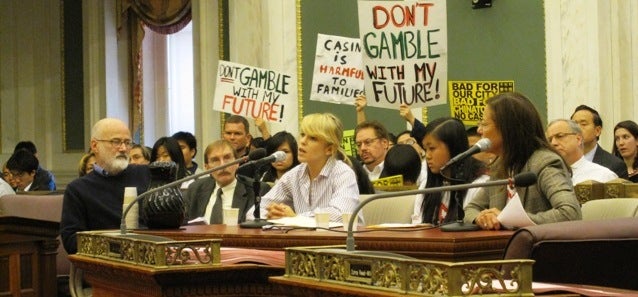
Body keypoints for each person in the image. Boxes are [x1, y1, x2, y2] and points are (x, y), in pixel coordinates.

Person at [464, 92, 582, 230]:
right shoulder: (500, 167)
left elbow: (570, 213)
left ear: (507, 129)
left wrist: (510, 220)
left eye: (484, 124)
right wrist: (481, 218)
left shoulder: (544, 163)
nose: (479, 130)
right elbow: (471, 209)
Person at [60, 118, 151, 254]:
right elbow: (71, 241)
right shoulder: (78, 189)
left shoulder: (147, 175)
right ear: (95, 146)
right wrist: (119, 248)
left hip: (151, 255)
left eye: (127, 142)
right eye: (116, 142)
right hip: (106, 264)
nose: (123, 148)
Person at [260, 113, 360, 223]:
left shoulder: (343, 173)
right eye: (302, 135)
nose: (302, 141)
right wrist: (273, 213)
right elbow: (255, 212)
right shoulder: (294, 175)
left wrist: (296, 218)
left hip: (341, 240)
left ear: (329, 149)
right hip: (304, 239)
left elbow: (341, 215)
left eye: (312, 138)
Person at [412, 117, 489, 225]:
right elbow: (417, 225)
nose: (428, 156)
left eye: (432, 148)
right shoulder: (426, 184)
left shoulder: (479, 185)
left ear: (453, 147)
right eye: (425, 149)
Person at [183, 140, 270, 224]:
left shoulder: (257, 190)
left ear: (237, 163)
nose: (222, 165)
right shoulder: (195, 189)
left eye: (227, 158)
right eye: (215, 160)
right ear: (207, 167)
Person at [546, 119, 617, 184]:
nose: (553, 143)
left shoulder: (603, 176)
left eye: (560, 136)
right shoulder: (546, 177)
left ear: (578, 139)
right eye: (549, 140)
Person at [570, 105, 627, 178]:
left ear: (597, 131)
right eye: (574, 125)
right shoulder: (563, 163)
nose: (577, 128)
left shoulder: (615, 165)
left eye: (583, 124)